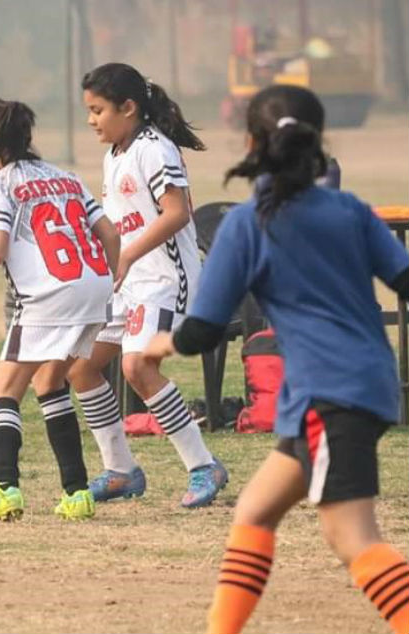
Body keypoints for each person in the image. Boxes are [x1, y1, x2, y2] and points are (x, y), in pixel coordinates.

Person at [142, 84, 409, 634]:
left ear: (251, 142)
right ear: (318, 140)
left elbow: (204, 328)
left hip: (327, 395)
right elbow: (404, 279)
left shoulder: (249, 222)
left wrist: (165, 343)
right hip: (362, 386)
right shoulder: (350, 210)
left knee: (352, 537)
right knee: (255, 512)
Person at [0, 98, 120, 525]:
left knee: (4, 392)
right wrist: (107, 281)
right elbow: (108, 231)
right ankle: (76, 493)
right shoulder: (66, 177)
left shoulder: (0, 185)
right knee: (51, 381)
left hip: (49, 298)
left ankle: (3, 488)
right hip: (94, 290)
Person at [68, 63, 228, 508]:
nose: (91, 120)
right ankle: (121, 470)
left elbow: (176, 213)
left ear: (129, 107)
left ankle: (203, 466)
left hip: (165, 279)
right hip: (126, 282)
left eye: (97, 110)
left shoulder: (155, 149)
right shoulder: (115, 154)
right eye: (88, 111)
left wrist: (130, 254)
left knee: (137, 367)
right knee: (81, 366)